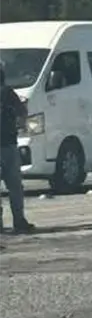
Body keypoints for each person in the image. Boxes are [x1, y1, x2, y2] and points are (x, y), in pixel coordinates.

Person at [0, 63, 34, 234]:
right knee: (14, 186)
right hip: (8, 144)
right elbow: (22, 112)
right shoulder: (8, 93)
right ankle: (19, 221)